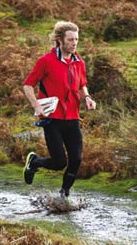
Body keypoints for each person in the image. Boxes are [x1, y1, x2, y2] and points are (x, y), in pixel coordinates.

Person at [22, 21, 97, 198]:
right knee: (59, 162)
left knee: (77, 159)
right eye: (70, 40)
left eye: (76, 39)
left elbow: (82, 85)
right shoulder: (46, 61)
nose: (74, 43)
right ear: (60, 40)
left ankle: (64, 194)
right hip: (52, 119)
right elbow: (27, 85)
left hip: (72, 118)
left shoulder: (79, 62)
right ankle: (34, 162)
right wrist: (36, 105)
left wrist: (87, 98)